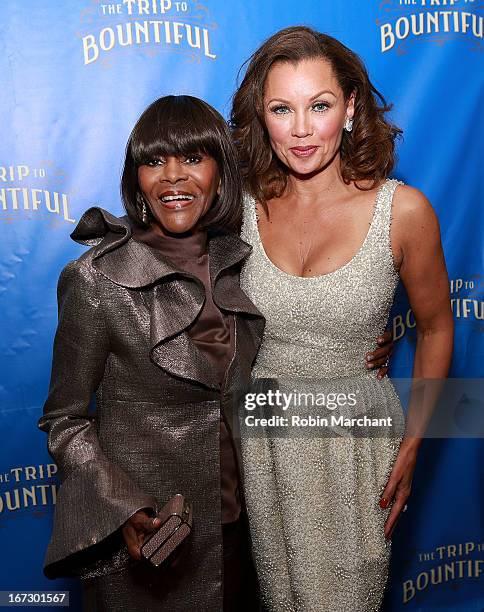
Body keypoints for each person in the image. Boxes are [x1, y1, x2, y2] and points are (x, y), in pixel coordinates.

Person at [230, 26, 454, 611]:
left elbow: (435, 328)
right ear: (262, 115)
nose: (301, 130)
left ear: (350, 108)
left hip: (357, 445)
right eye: (282, 108)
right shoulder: (239, 210)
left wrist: (413, 444)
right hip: (269, 442)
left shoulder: (402, 210)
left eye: (320, 106)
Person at [38, 95, 265, 612]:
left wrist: (372, 346)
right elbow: (65, 419)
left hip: (246, 528)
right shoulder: (97, 277)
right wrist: (123, 509)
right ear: (136, 178)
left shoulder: (245, 263)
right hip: (150, 537)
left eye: (192, 158)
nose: (173, 177)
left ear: (219, 172)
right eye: (154, 160)